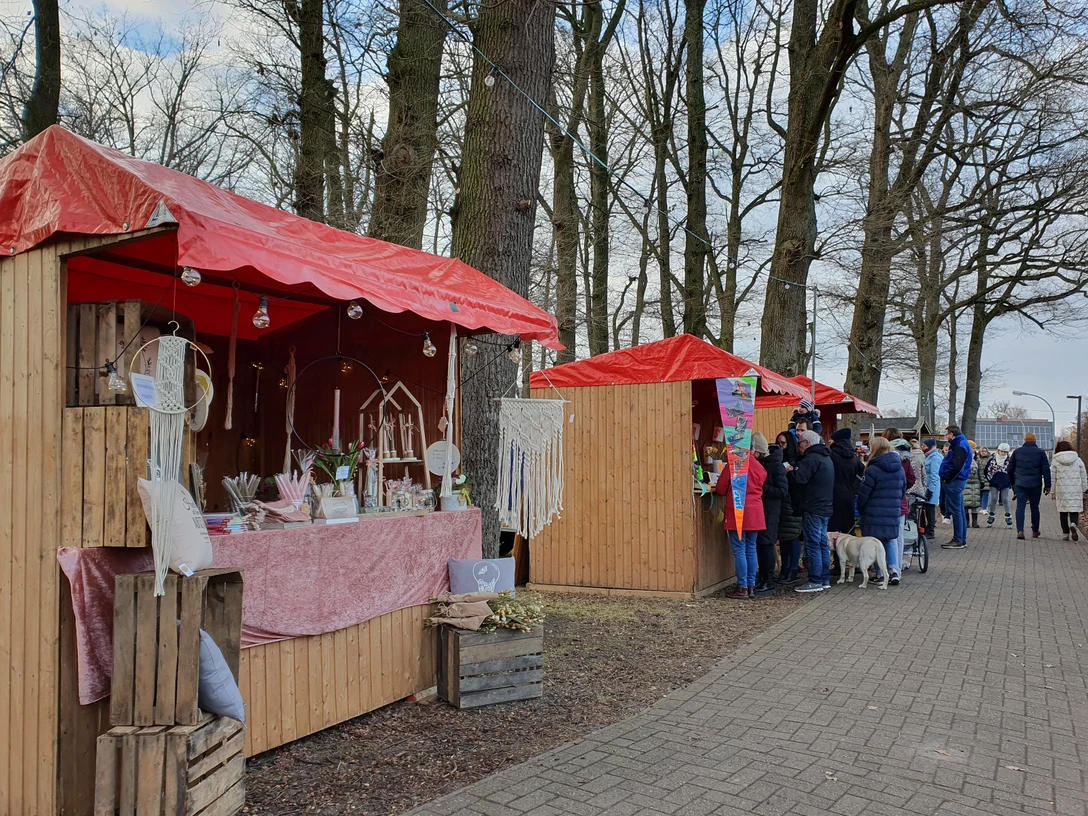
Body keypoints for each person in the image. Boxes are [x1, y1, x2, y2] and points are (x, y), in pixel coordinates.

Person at [715, 441, 766, 599]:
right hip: (755, 512)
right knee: (751, 549)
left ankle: (742, 587)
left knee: (739, 551)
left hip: (738, 510)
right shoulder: (759, 466)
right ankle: (751, 586)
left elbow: (720, 489)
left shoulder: (734, 464)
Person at [858, 436, 907, 585]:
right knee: (889, 540)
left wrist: (861, 509)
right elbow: (903, 490)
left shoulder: (872, 469)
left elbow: (864, 493)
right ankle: (894, 570)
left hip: (874, 511)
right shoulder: (899, 469)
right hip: (893, 511)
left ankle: (880, 573)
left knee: (876, 542)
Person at [792, 430, 835, 593]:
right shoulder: (826, 457)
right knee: (822, 543)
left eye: (800, 443)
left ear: (807, 443)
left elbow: (799, 479)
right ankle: (824, 578)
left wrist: (791, 471)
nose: (799, 447)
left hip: (813, 507)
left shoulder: (811, 459)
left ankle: (815, 580)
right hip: (825, 507)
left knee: (813, 544)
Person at [753, 432, 788, 595]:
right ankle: (763, 579)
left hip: (771, 510)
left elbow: (782, 491)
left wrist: (762, 488)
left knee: (766, 544)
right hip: (764, 509)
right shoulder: (767, 463)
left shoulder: (774, 465)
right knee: (762, 545)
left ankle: (768, 581)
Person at [1007, 432, 1052, 540]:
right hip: (1035, 483)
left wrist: (1013, 482)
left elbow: (1010, 469)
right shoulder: (1040, 452)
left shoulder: (1017, 452)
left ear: (1025, 440)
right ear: (1035, 441)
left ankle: (1020, 530)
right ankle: (1035, 531)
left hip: (1020, 483)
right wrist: (1047, 485)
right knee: (1034, 507)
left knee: (1020, 506)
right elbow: (1046, 469)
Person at [776, 431, 804, 584]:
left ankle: (792, 569)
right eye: (779, 443)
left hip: (792, 502)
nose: (781, 446)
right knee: (784, 538)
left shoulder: (796, 461)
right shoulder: (778, 460)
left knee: (793, 537)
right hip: (782, 503)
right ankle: (785, 568)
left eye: (783, 443)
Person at [939, 424, 973, 550]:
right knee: (959, 510)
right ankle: (961, 538)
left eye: (946, 434)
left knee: (956, 511)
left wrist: (947, 477)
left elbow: (957, 466)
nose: (945, 436)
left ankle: (958, 539)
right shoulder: (961, 443)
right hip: (957, 480)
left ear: (952, 434)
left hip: (954, 481)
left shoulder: (959, 445)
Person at [890, 438, 918, 573]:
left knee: (891, 537)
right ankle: (898, 564)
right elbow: (912, 478)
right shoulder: (906, 461)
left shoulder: (887, 460)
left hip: (890, 502)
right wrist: (903, 488)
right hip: (901, 500)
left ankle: (892, 565)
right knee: (900, 535)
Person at [1051, 440, 1088, 541]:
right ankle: (1073, 523)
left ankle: (1065, 533)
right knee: (1074, 510)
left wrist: (1052, 491)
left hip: (1061, 490)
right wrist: (1085, 489)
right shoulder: (1078, 460)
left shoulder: (1056, 461)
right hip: (1076, 489)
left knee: (1062, 512)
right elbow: (1083, 476)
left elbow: (1052, 478)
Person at [985, 443, 1013, 527]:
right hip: (994, 483)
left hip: (1005, 483)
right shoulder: (992, 460)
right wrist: (990, 479)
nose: (1003, 453)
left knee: (1005, 499)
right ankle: (991, 515)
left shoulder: (1009, 461)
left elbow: (1012, 472)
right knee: (993, 498)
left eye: (1005, 452)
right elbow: (987, 470)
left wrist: (1010, 481)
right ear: (998, 451)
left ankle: (1008, 515)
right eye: (1001, 451)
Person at [921, 438, 942, 542]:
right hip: (926, 486)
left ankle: (930, 530)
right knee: (925, 507)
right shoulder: (928, 456)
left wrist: (931, 490)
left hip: (932, 487)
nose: (922, 447)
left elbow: (935, 475)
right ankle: (924, 528)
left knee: (930, 508)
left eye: (924, 446)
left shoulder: (935, 458)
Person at [963, 441, 983, 529]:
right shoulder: (964, 457)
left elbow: (980, 471)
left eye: (975, 448)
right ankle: (966, 521)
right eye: (972, 448)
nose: (974, 450)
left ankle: (975, 521)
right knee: (965, 503)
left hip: (975, 482)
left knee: (975, 503)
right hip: (966, 482)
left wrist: (982, 481)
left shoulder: (977, 458)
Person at [977, 446, 992, 515]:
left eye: (985, 451)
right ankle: (982, 507)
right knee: (980, 493)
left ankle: (984, 508)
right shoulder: (977, 458)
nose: (984, 452)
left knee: (986, 493)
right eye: (982, 451)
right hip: (979, 478)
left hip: (986, 478)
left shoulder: (990, 459)